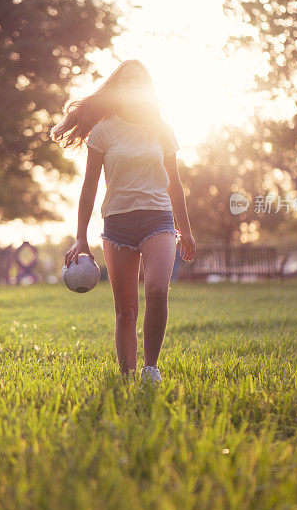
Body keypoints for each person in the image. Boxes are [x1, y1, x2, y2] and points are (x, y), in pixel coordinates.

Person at [50, 59, 196, 383]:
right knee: (125, 310)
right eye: (126, 81)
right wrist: (80, 237)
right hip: (116, 225)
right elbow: (89, 187)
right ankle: (128, 378)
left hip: (158, 218)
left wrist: (185, 230)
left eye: (138, 81)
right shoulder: (103, 131)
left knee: (158, 289)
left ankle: (150, 369)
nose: (132, 86)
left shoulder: (162, 130)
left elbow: (175, 184)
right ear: (119, 87)